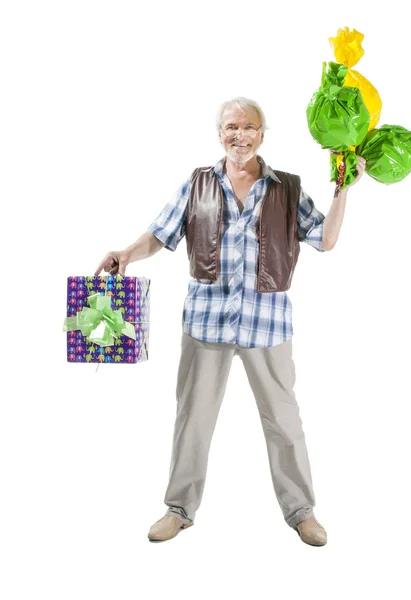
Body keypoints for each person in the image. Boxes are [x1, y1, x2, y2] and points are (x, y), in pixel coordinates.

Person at [95, 97, 366, 546]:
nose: (239, 134)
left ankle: (301, 512)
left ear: (263, 133)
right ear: (219, 133)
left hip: (268, 327)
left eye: (249, 126)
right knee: (193, 420)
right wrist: (126, 253)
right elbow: (159, 234)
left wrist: (344, 188)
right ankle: (178, 509)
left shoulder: (288, 188)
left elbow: (327, 238)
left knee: (284, 422)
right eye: (230, 126)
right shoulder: (197, 183)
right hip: (205, 323)